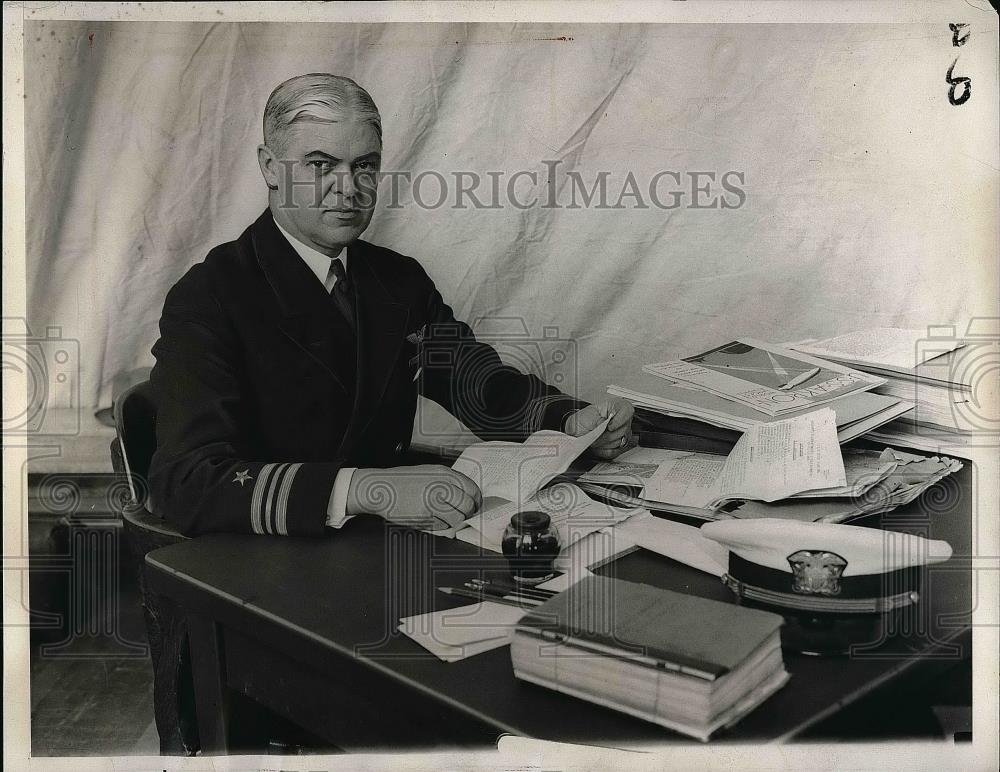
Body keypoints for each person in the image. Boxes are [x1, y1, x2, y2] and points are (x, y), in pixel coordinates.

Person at [148, 73, 633, 537]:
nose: (348, 188)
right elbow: (188, 481)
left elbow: (470, 380)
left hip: (388, 533)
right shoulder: (210, 296)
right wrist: (369, 489)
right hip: (273, 551)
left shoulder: (395, 279)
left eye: (364, 166)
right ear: (270, 167)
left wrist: (569, 419)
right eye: (321, 165)